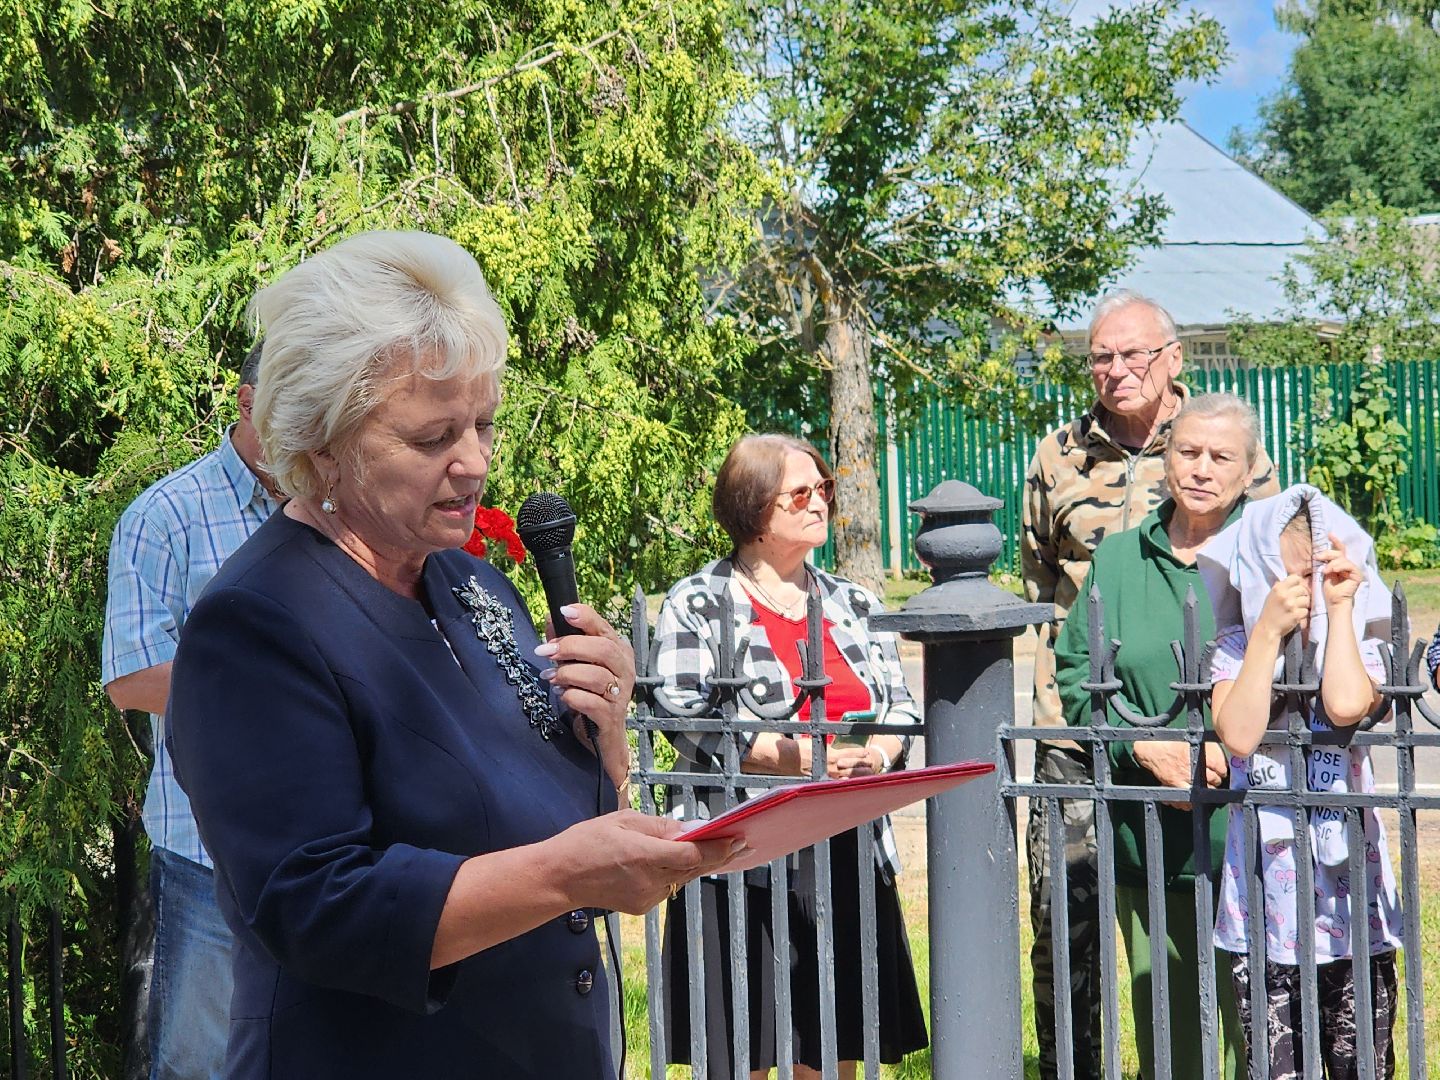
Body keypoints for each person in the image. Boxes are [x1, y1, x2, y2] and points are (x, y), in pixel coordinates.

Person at [164, 230, 740, 1079]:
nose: (474, 464)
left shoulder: (471, 585)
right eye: (434, 437)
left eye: (483, 424)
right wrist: (565, 875)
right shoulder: (255, 625)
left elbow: (553, 809)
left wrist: (608, 732)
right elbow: (315, 907)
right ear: (324, 444)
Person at [1022, 290, 1277, 1079]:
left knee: (1215, 923)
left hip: (1216, 728)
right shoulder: (1058, 455)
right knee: (1069, 923)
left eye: (1134, 354)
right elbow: (1041, 588)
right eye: (1101, 355)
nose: (1116, 370)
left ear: (1172, 359)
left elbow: (1264, 565)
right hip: (1078, 730)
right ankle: (1078, 1070)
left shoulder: (1219, 438)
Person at [654, 433, 928, 1079]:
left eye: (824, 488)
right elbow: (685, 718)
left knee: (833, 1044)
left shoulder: (853, 601)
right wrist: (791, 757)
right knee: (748, 1044)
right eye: (800, 492)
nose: (820, 503)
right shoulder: (698, 602)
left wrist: (878, 754)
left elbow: (900, 708)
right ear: (752, 508)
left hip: (848, 846)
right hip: (746, 847)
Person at [102, 339, 281, 1079]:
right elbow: (132, 676)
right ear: (246, 403)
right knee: (198, 1067)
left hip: (330, 849)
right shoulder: (165, 515)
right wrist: (276, 687)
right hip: (208, 856)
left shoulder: (342, 514)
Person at [1203, 485, 1404, 1079]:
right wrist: (1266, 632)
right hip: (1263, 909)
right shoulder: (1237, 650)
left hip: (1351, 911)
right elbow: (1238, 734)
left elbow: (1345, 707)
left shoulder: (1361, 647)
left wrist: (1340, 608)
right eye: (1284, 580)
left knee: (1357, 1063)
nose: (1301, 597)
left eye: (1311, 579)